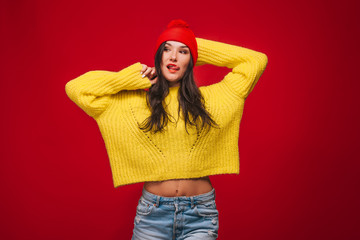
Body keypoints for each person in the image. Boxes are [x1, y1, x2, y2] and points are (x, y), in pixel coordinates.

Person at [65, 19, 268, 240]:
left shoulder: (214, 99)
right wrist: (128, 79)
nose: (173, 57)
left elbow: (255, 61)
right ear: (158, 57)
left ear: (192, 60)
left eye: (183, 52)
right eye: (166, 49)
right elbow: (76, 89)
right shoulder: (132, 102)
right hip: (153, 215)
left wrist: (192, 44)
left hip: (200, 214)